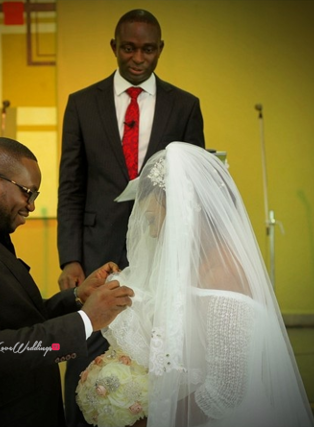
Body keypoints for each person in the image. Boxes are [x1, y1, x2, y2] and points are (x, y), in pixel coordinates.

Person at [0, 137, 134, 427]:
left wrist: (77, 297)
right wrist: (86, 321)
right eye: (27, 193)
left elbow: (17, 320)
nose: (31, 206)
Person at [99, 142, 314, 426]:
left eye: (152, 220)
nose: (151, 233)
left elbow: (226, 392)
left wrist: (155, 419)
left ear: (183, 211)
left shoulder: (223, 277)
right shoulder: (198, 266)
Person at [57, 9, 205, 425]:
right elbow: (71, 184)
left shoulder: (185, 106)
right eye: (128, 48)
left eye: (148, 49)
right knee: (86, 351)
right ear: (114, 47)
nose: (138, 58)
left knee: (153, 356)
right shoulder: (82, 104)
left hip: (161, 253)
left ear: (160, 50)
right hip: (94, 251)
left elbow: (191, 191)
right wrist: (70, 257)